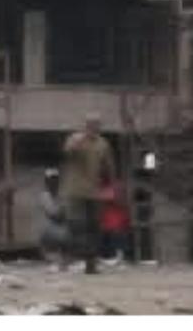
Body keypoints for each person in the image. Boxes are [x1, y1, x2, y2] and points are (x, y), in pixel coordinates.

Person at [60, 112, 116, 275]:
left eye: (97, 124)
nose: (94, 127)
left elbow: (108, 166)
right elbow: (68, 153)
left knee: (94, 228)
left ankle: (90, 265)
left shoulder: (103, 144)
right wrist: (79, 141)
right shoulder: (75, 139)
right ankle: (66, 260)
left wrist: (110, 187)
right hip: (75, 191)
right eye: (91, 124)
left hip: (94, 192)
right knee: (75, 226)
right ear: (85, 125)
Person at [39, 168, 70, 264]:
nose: (54, 182)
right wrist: (64, 211)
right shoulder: (44, 196)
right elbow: (55, 215)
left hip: (58, 231)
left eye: (56, 179)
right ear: (46, 181)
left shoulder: (61, 195)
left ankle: (63, 255)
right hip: (48, 233)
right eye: (51, 179)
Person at [99, 181, 130, 265]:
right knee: (105, 237)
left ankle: (118, 258)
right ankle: (108, 257)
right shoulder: (108, 206)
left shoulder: (117, 191)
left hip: (116, 224)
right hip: (111, 224)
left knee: (118, 237)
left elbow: (111, 197)